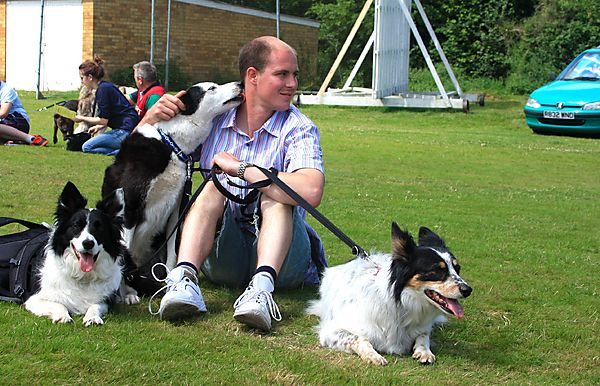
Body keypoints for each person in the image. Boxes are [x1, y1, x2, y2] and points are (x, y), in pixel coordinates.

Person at [140, 36, 326, 332]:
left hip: (286, 262)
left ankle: (262, 290)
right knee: (214, 185)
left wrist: (243, 169)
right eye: (282, 74)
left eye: (295, 75)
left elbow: (311, 190)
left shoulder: (299, 127)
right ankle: (184, 279)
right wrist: (150, 120)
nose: (292, 83)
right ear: (252, 76)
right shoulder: (212, 119)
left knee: (275, 194)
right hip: (224, 255)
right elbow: (143, 161)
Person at [74, 56, 139, 156]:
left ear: (90, 77)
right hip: (129, 128)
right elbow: (109, 115)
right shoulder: (106, 86)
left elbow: (103, 120)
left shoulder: (102, 90)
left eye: (82, 78)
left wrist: (82, 118)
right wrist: (99, 127)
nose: (82, 81)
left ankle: (125, 152)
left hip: (125, 131)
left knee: (86, 147)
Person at [0, 80, 47, 146]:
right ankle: (13, 140)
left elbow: (3, 113)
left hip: (19, 121)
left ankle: (31, 139)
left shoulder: (7, 90)